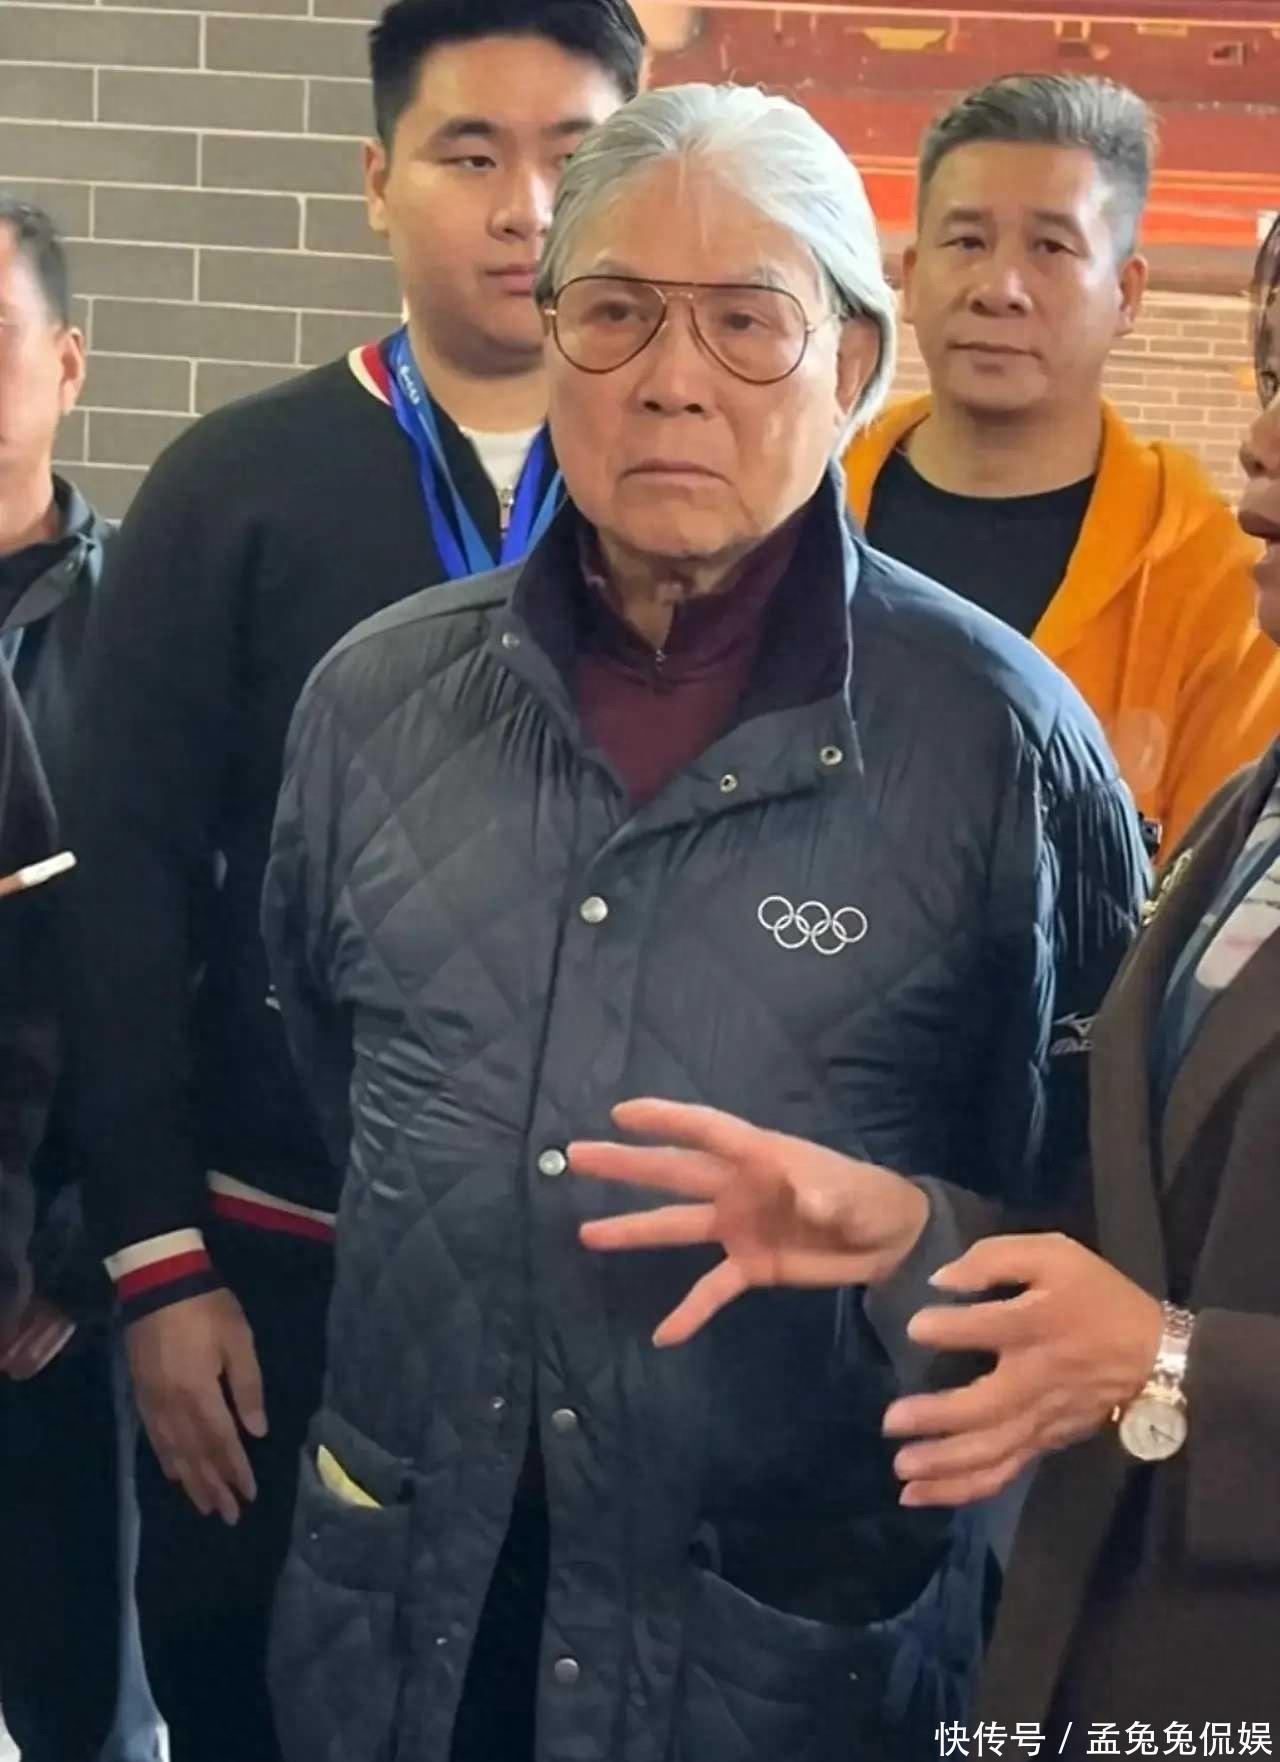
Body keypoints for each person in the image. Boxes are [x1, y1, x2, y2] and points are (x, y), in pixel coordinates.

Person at [262, 83, 1147, 1762]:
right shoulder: (374, 701)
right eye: (615, 313)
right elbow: (336, 1067)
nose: (674, 379)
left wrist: (911, 1227)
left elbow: (1094, 1213)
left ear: (855, 361)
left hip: (778, 1645)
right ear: (549, 336)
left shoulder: (1004, 744)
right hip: (410, 1611)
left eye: (748, 322)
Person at [575, 216, 1280, 1757]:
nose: (1261, 439)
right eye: (1273, 371)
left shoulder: (1013, 722)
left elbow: (1160, 1329)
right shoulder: (1255, 809)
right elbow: (1164, 1227)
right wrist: (916, 1234)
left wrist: (1181, 1369)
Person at [64, 4, 644, 1759]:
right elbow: (127, 889)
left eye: (574, 157)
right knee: (253, 1697)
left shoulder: (687, 486)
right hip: (281, 1263)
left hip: (606, 1289)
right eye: (472, 153)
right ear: (379, 179)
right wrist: (158, 1266)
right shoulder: (232, 487)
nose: (525, 205)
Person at [844, 74, 1280, 857]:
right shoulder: (796, 518)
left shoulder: (1216, 584)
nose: (999, 289)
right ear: (909, 278)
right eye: (966, 242)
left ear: (1127, 294)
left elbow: (1209, 906)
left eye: (1051, 247)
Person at [0, 196, 161, 1762]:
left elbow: (174, 960)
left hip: (54, 1293)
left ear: (66, 363)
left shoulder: (144, 631)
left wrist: (74, 1254)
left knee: (77, 1698)